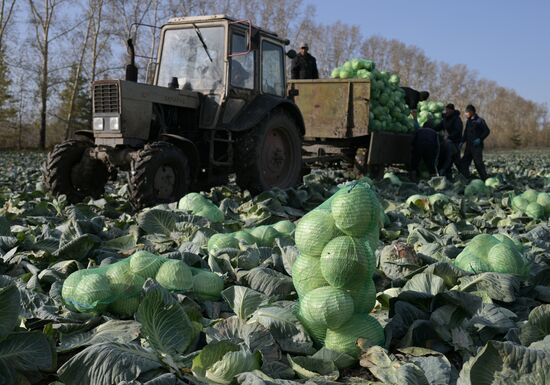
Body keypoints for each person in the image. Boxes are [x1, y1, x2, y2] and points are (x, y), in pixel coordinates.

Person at [460, 104, 490, 180]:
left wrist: (480, 139)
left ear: (472, 112)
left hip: (477, 146)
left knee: (478, 164)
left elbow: (487, 131)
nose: (465, 114)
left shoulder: (480, 120)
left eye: (467, 112)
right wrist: (462, 142)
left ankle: (484, 179)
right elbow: (465, 133)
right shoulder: (468, 121)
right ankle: (466, 178)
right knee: (464, 163)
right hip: (468, 146)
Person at [435, 103, 463, 179]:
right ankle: (448, 177)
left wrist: (449, 137)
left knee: (456, 161)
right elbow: (439, 127)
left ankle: (465, 176)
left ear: (452, 110)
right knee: (448, 160)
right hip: (447, 142)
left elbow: (458, 131)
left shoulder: (457, 119)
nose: (447, 111)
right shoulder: (445, 119)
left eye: (448, 110)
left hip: (455, 142)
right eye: (446, 110)